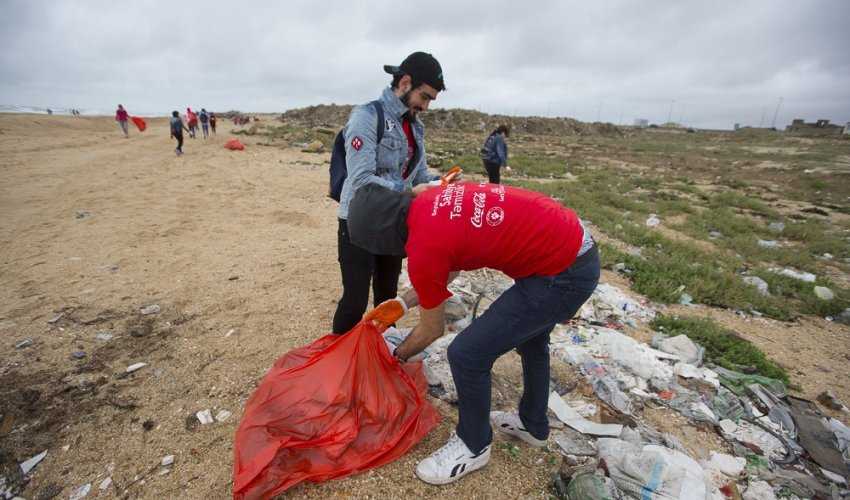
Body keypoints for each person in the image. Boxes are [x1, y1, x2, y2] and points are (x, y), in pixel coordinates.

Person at [349, 181, 600, 485]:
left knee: (467, 354)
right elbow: (449, 261)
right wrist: (403, 303)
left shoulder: (423, 249)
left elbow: (432, 330)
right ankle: (533, 425)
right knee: (532, 341)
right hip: (572, 244)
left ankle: (473, 444)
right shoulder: (429, 199)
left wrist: (396, 355)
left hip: (563, 273)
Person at [331, 51, 449, 336]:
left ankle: (381, 354)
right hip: (358, 221)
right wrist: (410, 190)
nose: (427, 106)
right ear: (405, 83)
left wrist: (441, 182)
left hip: (393, 224)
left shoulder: (415, 127)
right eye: (425, 97)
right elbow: (361, 179)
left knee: (387, 298)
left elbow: (418, 175)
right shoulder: (366, 116)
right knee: (354, 302)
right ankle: (337, 362)